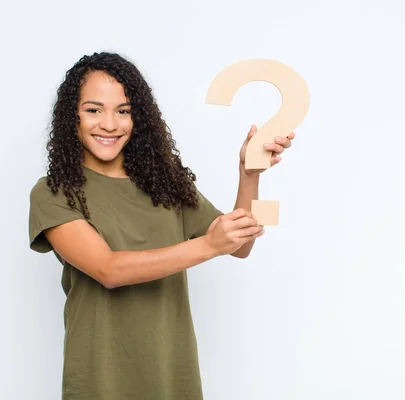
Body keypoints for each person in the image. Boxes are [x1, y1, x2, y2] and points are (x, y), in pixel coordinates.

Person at [28, 52, 295, 400]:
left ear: (138, 117)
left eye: (123, 111)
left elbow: (240, 246)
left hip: (173, 376)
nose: (109, 124)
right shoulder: (54, 191)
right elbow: (109, 269)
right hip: (100, 380)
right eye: (94, 110)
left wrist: (248, 174)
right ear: (72, 117)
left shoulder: (165, 184)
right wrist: (207, 246)